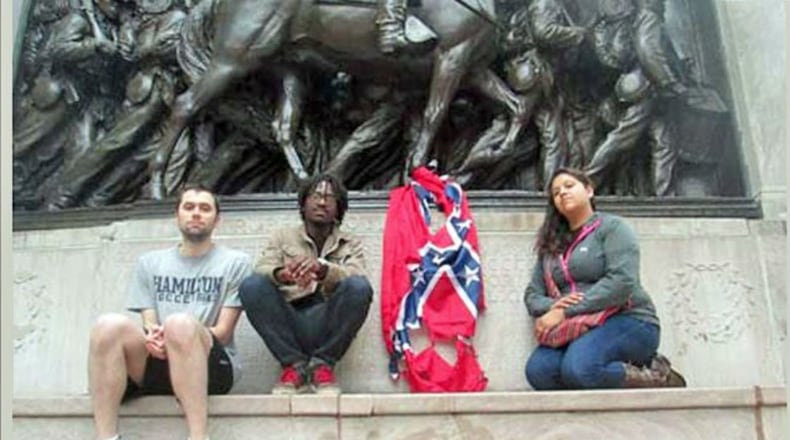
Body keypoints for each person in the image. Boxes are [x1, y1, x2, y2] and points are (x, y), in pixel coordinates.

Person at [87, 185, 252, 440]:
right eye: (189, 207)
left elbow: (223, 332)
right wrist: (154, 339)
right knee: (107, 325)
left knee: (179, 324)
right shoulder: (150, 263)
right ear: (177, 216)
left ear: (217, 220)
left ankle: (198, 436)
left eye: (205, 208)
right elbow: (149, 325)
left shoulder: (235, 262)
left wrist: (176, 334)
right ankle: (106, 437)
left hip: (211, 366)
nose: (196, 214)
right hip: (158, 362)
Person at [523, 167, 685, 389]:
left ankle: (659, 376)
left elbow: (621, 282)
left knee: (580, 370)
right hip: (574, 326)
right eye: (556, 192)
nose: (562, 193)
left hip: (628, 318)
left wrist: (564, 311)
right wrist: (553, 306)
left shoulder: (612, 228)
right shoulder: (551, 245)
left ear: (589, 190)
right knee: (539, 372)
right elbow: (532, 294)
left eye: (569, 186)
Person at [239, 174, 373, 395]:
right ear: (303, 203)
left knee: (359, 287)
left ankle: (322, 365)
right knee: (252, 286)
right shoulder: (283, 237)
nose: (322, 202)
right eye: (316, 196)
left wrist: (322, 269)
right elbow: (262, 268)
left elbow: (357, 274)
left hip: (329, 321)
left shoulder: (350, 242)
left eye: (330, 198)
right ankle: (295, 367)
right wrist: (283, 274)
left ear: (339, 208)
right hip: (289, 319)